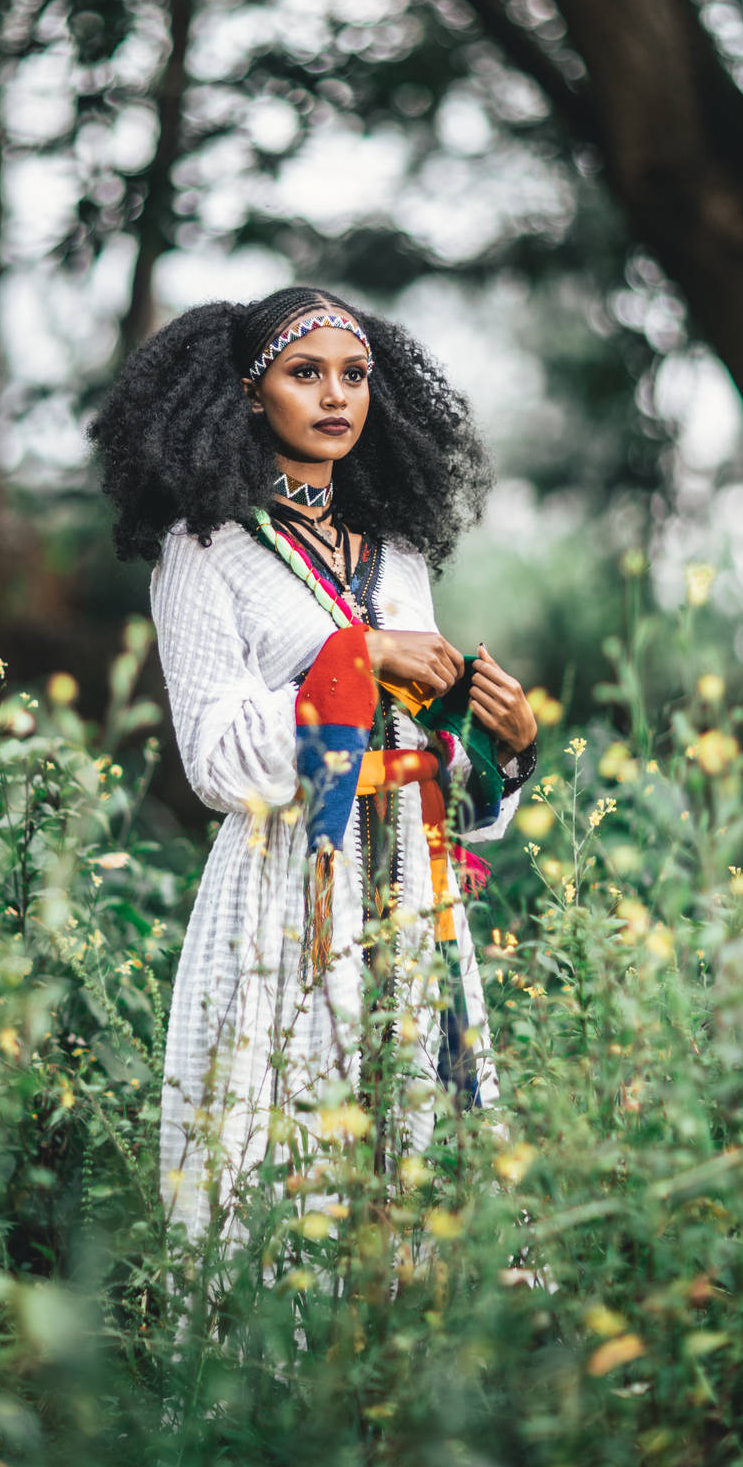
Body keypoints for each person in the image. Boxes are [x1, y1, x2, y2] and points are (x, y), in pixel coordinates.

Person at [90, 287, 538, 1237]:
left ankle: (410, 1373)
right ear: (252, 396)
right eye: (305, 373)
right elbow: (215, 758)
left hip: (411, 891)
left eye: (354, 375)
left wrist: (507, 739)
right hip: (283, 890)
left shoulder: (401, 556)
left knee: (416, 1136)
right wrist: (354, 658)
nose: (336, 396)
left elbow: (428, 763)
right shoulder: (202, 549)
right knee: (281, 1148)